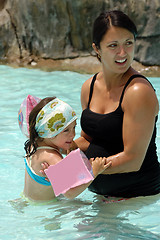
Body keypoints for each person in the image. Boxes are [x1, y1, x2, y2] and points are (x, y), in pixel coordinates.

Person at [69, 10, 160, 198]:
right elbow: (89, 140)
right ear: (97, 48)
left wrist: (77, 173)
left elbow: (133, 159)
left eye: (129, 43)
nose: (122, 53)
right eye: (113, 45)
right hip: (101, 196)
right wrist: (62, 147)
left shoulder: (138, 91)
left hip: (137, 199)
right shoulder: (90, 87)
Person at [22, 96, 111, 202]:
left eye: (74, 127)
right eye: (66, 130)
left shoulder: (34, 145)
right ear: (49, 132)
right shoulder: (52, 157)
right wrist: (94, 171)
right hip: (46, 207)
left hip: (27, 200)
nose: (73, 135)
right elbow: (70, 193)